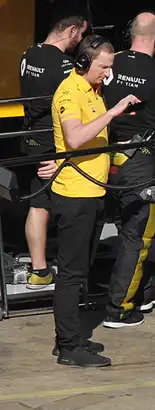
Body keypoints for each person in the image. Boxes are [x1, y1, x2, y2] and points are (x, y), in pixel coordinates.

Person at [50, 34, 141, 366]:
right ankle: (69, 345)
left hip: (94, 193)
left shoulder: (93, 90)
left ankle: (75, 337)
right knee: (71, 273)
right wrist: (113, 113)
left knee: (82, 270)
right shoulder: (69, 92)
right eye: (104, 67)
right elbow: (73, 137)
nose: (108, 73)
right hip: (75, 196)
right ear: (83, 63)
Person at [101, 12, 155, 329]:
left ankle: (134, 291)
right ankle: (118, 309)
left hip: (99, 158)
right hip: (138, 163)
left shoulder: (108, 61)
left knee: (104, 227)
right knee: (137, 235)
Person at [17, 12, 89, 290]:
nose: (80, 40)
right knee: (67, 205)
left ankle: (39, 270)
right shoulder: (64, 67)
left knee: (38, 205)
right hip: (54, 143)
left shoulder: (28, 54)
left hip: (30, 137)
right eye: (80, 34)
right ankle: (72, 271)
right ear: (71, 30)